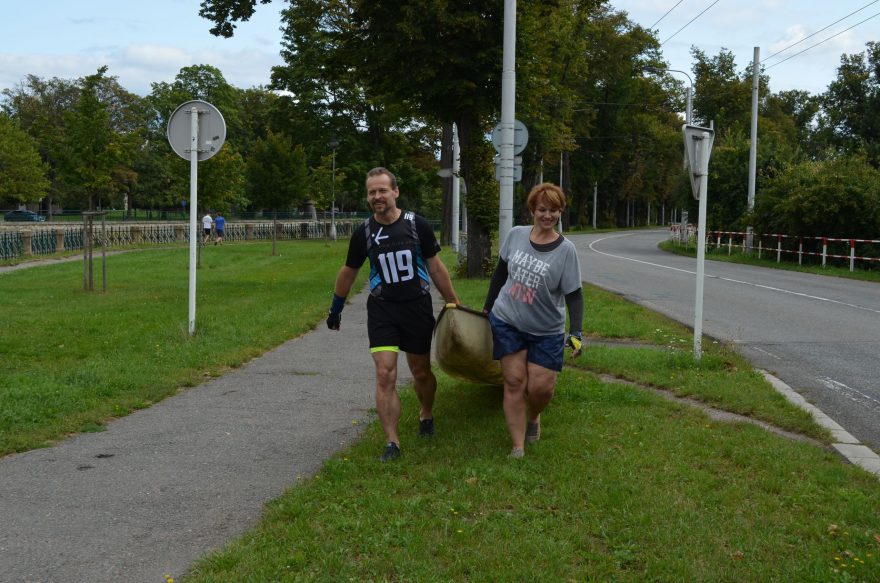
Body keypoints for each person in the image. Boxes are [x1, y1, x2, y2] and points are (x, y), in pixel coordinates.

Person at [327, 167, 460, 462]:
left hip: (417, 308)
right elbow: (349, 271)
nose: (377, 196)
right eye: (372, 192)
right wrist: (336, 307)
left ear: (395, 192)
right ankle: (392, 442)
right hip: (383, 310)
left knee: (421, 372)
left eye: (382, 190)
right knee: (384, 373)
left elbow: (435, 267)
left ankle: (426, 413)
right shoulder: (364, 232)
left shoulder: (417, 225)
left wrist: (453, 303)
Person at [483, 182, 584, 459]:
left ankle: (534, 415)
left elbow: (574, 295)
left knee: (540, 389)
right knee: (514, 381)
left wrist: (576, 332)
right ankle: (518, 447)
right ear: (532, 210)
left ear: (560, 212)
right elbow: (500, 274)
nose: (547, 215)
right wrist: (487, 308)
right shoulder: (516, 235)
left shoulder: (566, 251)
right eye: (542, 209)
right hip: (508, 320)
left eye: (554, 210)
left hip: (546, 330)